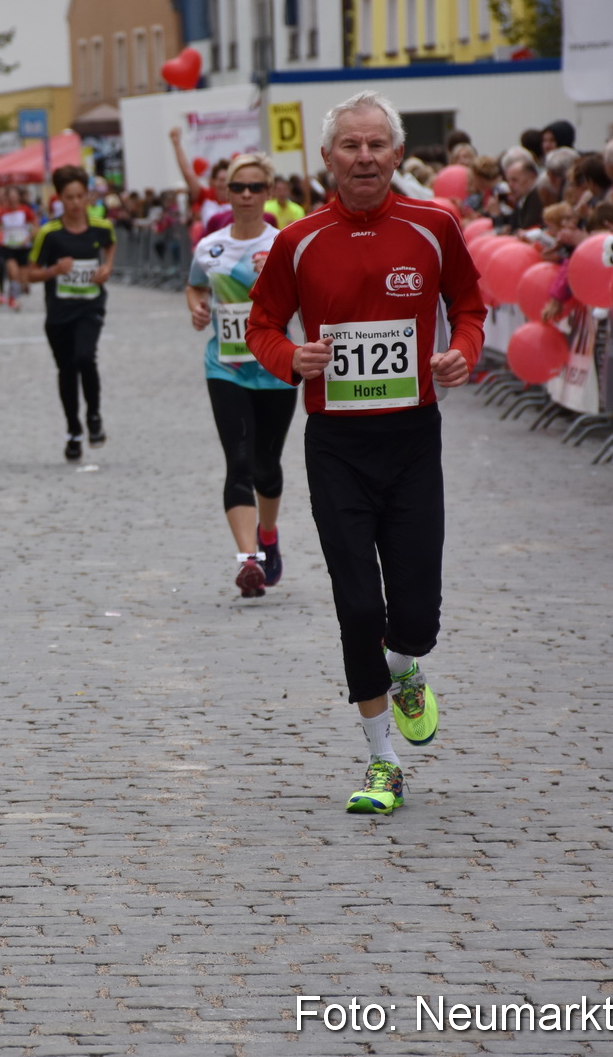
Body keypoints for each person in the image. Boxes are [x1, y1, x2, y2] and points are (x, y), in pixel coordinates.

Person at [246, 90, 486, 816]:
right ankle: (383, 761)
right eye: (350, 145)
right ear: (327, 158)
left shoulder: (434, 225)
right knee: (356, 605)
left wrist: (462, 351)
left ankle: (404, 664)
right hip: (337, 445)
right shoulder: (298, 240)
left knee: (417, 615)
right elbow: (262, 324)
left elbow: (470, 306)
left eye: (377, 144)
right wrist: (292, 358)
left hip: (412, 439)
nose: (364, 157)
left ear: (397, 153)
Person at [184, 152, 298, 598]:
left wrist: (275, 279)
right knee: (239, 462)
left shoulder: (285, 243)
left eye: (255, 187)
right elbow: (195, 285)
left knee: (267, 467)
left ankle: (268, 535)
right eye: (238, 187)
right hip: (225, 367)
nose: (246, 194)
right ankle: (248, 560)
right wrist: (196, 308)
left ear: (268, 192)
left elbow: (306, 297)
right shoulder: (209, 247)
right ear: (225, 193)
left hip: (275, 369)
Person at [26, 166, 116, 461]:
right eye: (69, 197)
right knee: (66, 370)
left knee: (85, 357)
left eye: (80, 196)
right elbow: (30, 274)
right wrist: (54, 270)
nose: (76, 203)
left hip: (90, 306)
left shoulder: (101, 226)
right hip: (59, 313)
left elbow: (110, 244)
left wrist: (107, 267)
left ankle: (94, 416)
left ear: (88, 196)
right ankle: (73, 430)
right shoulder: (49, 233)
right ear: (59, 198)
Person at [0, 186, 35, 310]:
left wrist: (28, 237)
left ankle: (19, 290)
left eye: (14, 196)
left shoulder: (25, 210)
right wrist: (0, 237)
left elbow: (35, 225)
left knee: (22, 278)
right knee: (13, 272)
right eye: (10, 196)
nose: (12, 199)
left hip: (23, 247)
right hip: (9, 247)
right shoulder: (3, 212)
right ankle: (13, 299)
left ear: (18, 197)